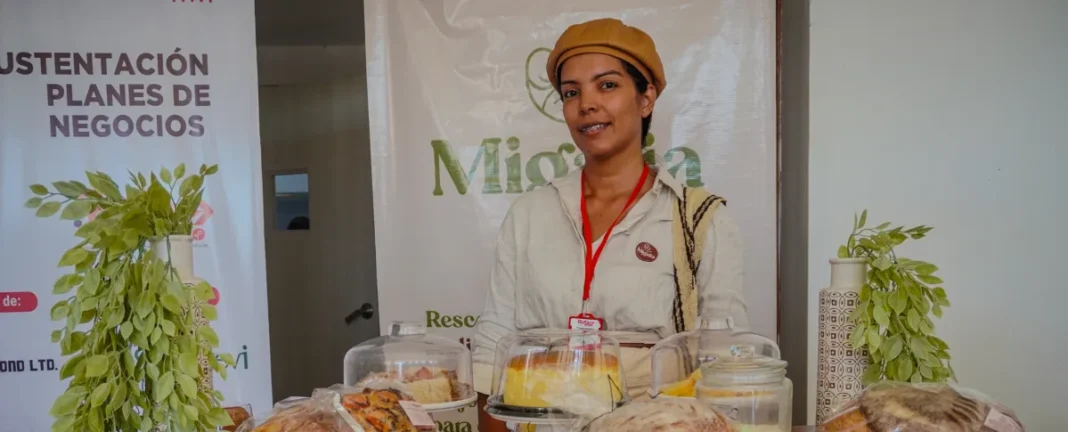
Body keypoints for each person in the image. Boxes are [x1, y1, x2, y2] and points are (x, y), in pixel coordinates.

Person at [471, 18, 749, 432]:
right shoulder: (529, 214)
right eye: (571, 92)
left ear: (646, 98)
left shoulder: (699, 218)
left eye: (607, 85)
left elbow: (726, 362)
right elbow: (494, 344)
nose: (586, 104)